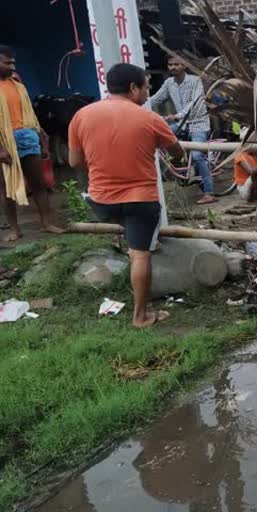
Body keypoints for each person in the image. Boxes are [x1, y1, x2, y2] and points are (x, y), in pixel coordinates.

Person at [68, 63, 186, 328]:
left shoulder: (82, 115)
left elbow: (75, 161)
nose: (147, 93)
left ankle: (142, 302)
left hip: (101, 202)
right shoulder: (150, 118)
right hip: (139, 201)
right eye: (146, 87)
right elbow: (177, 152)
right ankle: (140, 316)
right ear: (133, 88)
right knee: (140, 254)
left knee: (131, 236)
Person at [0, 45, 64, 242]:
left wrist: (42, 140)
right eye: (7, 62)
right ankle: (14, 229)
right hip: (5, 140)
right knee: (7, 188)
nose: (12, 66)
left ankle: (47, 223)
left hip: (27, 137)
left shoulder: (19, 85)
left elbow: (31, 114)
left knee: (39, 183)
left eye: (13, 62)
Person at [149, 56, 216, 205]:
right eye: (170, 64)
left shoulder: (195, 81)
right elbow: (155, 99)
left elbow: (195, 102)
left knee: (198, 156)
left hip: (198, 123)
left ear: (184, 66)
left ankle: (209, 192)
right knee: (158, 138)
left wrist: (177, 115)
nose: (173, 67)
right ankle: (178, 161)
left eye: (176, 64)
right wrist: (139, 107)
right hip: (181, 124)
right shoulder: (169, 83)